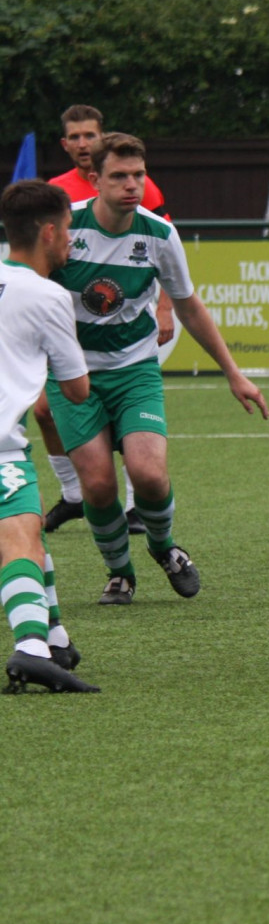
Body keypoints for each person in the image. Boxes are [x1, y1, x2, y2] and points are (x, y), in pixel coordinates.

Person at [49, 133, 269, 605]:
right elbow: (31, 296)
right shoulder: (64, 229)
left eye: (138, 175)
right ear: (95, 179)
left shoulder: (159, 234)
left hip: (135, 369)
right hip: (73, 376)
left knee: (148, 474)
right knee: (99, 486)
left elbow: (189, 305)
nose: (132, 185)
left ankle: (164, 547)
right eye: (119, 176)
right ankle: (119, 573)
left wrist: (233, 372)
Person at [39, 104, 175, 536]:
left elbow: (164, 251)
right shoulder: (57, 193)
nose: (84, 143)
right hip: (71, 343)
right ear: (65, 144)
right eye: (75, 137)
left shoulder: (138, 186)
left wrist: (166, 307)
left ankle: (135, 505)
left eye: (90, 135)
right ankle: (74, 494)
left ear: (102, 137)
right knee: (43, 410)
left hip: (125, 339)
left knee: (133, 429)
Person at [1, 180, 100, 692]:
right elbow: (78, 391)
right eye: (66, 230)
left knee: (27, 528)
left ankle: (55, 639)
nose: (70, 240)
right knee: (19, 538)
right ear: (46, 232)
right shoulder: (49, 295)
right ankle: (32, 649)